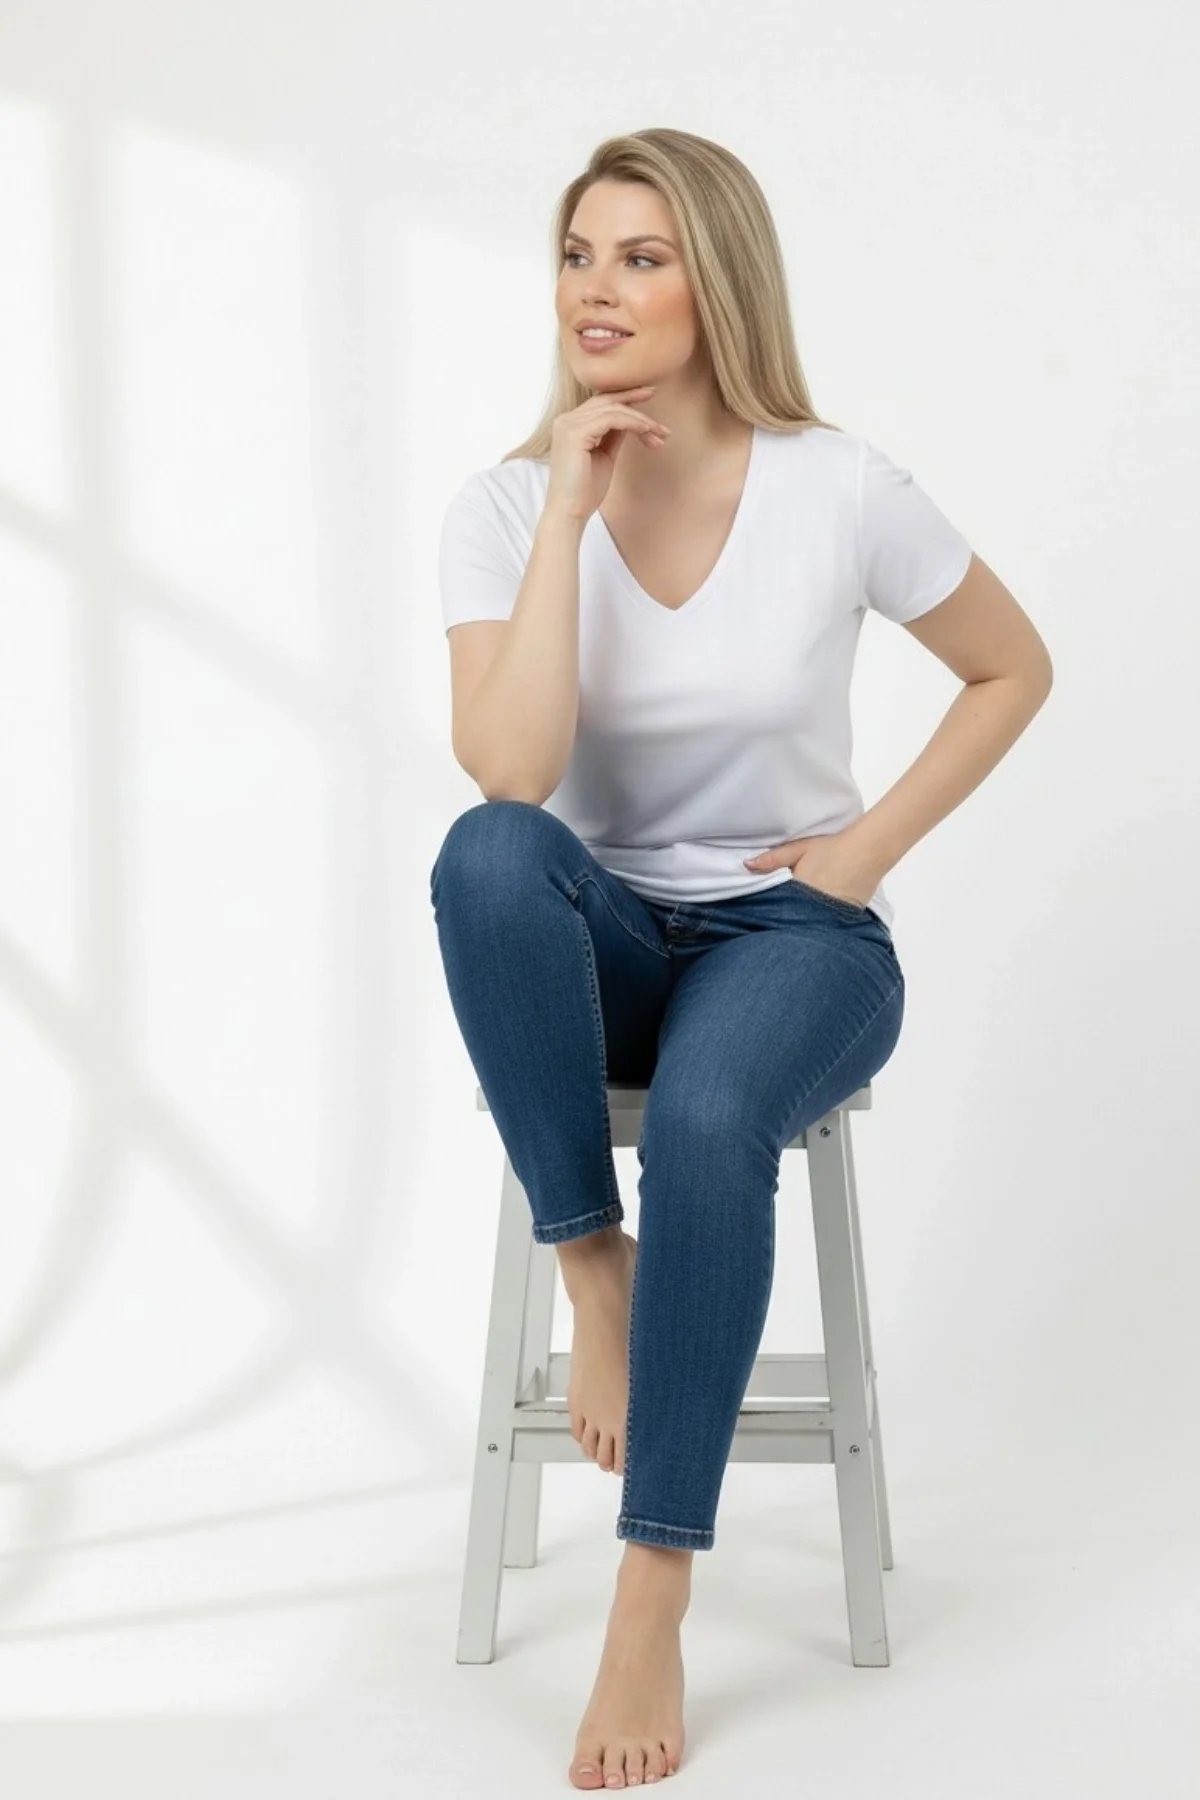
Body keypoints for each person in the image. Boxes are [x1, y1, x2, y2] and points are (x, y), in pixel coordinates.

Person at [429, 128, 1053, 1790]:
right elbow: (512, 777)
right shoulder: (504, 507)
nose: (597, 289)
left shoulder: (840, 487)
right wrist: (567, 513)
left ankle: (653, 1589)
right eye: (578, 255)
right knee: (487, 855)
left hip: (797, 939)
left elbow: (1010, 666)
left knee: (713, 1122)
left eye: (641, 257)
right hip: (609, 939)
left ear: (718, 284)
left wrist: (866, 849)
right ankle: (595, 1264)